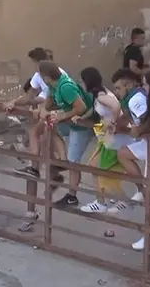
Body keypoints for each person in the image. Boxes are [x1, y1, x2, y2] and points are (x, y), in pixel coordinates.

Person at [114, 68, 150, 250]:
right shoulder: (133, 98)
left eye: (118, 88)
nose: (143, 87)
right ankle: (141, 189)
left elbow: (146, 119)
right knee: (123, 154)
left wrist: (138, 130)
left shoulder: (136, 99)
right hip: (148, 145)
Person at [37, 60, 97, 206]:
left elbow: (81, 107)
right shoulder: (55, 85)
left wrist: (62, 116)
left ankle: (72, 196)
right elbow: (50, 99)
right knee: (48, 130)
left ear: (46, 77)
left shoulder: (65, 87)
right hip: (71, 123)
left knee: (74, 161)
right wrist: (45, 110)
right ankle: (63, 161)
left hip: (83, 125)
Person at [76, 67, 128, 213]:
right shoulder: (99, 93)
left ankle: (120, 200)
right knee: (95, 166)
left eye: (81, 80)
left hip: (113, 138)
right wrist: (84, 117)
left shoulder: (100, 95)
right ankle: (104, 201)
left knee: (102, 168)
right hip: (107, 137)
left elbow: (115, 105)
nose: (80, 83)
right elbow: (96, 109)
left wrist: (113, 122)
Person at [9, 48, 66, 179]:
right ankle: (59, 164)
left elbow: (55, 94)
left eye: (34, 62)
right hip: (52, 108)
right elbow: (29, 96)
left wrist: (43, 109)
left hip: (61, 108)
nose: (34, 66)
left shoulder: (55, 74)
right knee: (46, 134)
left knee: (37, 132)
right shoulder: (38, 75)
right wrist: (13, 102)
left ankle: (36, 168)